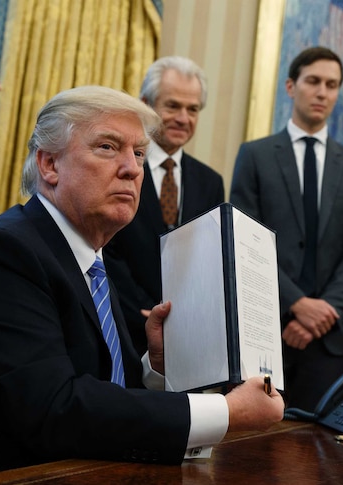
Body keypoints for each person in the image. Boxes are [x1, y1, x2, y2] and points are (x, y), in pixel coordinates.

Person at [0, 86, 284, 484]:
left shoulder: (90, 262)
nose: (132, 168)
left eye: (139, 153)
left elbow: (106, 392)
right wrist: (225, 412)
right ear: (49, 165)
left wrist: (156, 367)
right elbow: (55, 409)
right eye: (107, 147)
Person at [230, 46, 343, 412]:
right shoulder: (255, 155)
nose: (322, 92)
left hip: (330, 339)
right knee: (249, 449)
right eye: (313, 81)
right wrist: (295, 303)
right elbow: (244, 240)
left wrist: (319, 315)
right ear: (291, 86)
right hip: (264, 328)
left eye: (332, 84)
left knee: (320, 455)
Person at [105, 56, 224, 355]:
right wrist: (142, 311)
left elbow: (207, 261)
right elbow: (107, 246)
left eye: (193, 109)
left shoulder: (210, 181)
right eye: (172, 106)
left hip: (184, 339)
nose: (183, 118)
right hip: (120, 326)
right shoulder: (119, 166)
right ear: (145, 104)